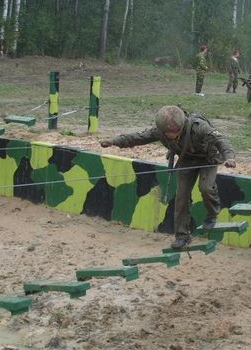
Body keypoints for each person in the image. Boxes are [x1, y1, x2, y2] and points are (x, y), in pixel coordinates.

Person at [99, 105, 236, 248]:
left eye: (174, 132)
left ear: (181, 126)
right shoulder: (160, 132)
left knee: (206, 187)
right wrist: (114, 141)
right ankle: (182, 236)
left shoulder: (199, 127)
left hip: (208, 159)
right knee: (181, 197)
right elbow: (139, 137)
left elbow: (221, 141)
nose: (170, 135)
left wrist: (230, 157)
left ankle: (213, 213)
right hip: (187, 159)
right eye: (167, 133)